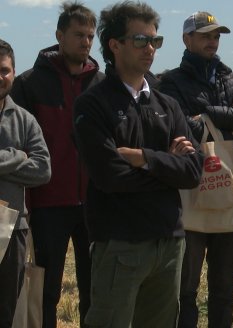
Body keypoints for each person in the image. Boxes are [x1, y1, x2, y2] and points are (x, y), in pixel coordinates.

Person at [72, 1, 203, 326]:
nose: (150, 49)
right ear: (114, 45)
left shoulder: (167, 104)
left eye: (155, 41)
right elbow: (110, 177)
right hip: (120, 242)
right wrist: (168, 164)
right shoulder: (93, 104)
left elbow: (193, 171)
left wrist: (145, 158)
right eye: (141, 40)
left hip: (170, 242)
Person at [159, 11, 233, 327]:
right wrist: (228, 114)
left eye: (216, 36)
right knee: (184, 285)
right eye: (205, 35)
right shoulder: (171, 81)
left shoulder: (229, 76)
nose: (212, 42)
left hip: (227, 185)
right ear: (187, 39)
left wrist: (207, 113)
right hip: (191, 184)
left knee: (225, 282)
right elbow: (179, 126)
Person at [10, 2, 103, 327]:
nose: (86, 42)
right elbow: (19, 146)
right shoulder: (30, 83)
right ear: (59, 35)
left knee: (95, 289)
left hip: (94, 203)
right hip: (49, 203)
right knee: (46, 291)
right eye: (79, 34)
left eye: (90, 35)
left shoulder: (101, 84)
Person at [0, 39, 51, 328]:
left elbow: (43, 171)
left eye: (4, 71)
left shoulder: (25, 120)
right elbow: (27, 164)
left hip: (11, 228)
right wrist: (14, 156)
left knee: (5, 307)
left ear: (13, 72)